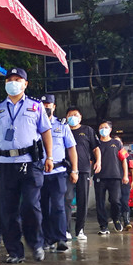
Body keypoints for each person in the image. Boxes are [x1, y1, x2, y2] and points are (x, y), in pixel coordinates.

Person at [0, 68, 54, 263]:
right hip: (5, 164)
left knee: (30, 205)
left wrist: (49, 157)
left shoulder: (36, 106)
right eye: (9, 80)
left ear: (25, 84)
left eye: (17, 79)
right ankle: (14, 251)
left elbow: (46, 131)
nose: (13, 83)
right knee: (8, 210)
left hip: (31, 163)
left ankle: (36, 243)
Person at [39, 94, 77, 253]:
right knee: (43, 207)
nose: (46, 107)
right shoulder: (34, 124)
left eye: (48, 105)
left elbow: (71, 148)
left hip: (58, 172)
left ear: (54, 106)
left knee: (58, 206)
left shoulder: (62, 125)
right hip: (39, 173)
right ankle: (47, 239)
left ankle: (61, 238)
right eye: (43, 105)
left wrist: (74, 170)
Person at [64, 107, 100, 241]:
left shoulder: (87, 130)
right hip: (66, 169)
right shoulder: (63, 129)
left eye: (75, 115)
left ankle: (80, 230)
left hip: (84, 170)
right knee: (66, 199)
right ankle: (66, 230)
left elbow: (95, 148)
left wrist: (98, 161)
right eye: (70, 115)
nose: (72, 117)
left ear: (80, 117)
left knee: (82, 200)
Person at [94, 121, 128, 235]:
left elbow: (124, 160)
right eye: (101, 127)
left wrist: (125, 175)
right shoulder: (96, 144)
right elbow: (91, 160)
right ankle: (103, 225)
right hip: (99, 177)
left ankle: (116, 219)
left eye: (105, 127)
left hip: (115, 176)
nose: (103, 129)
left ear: (110, 129)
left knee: (115, 200)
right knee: (100, 202)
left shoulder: (117, 143)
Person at [114, 136, 133, 230]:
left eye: (119, 142)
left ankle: (127, 221)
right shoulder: (111, 154)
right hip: (114, 182)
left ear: (122, 143)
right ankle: (117, 220)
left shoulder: (127, 155)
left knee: (124, 201)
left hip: (124, 181)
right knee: (116, 201)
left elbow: (132, 169)